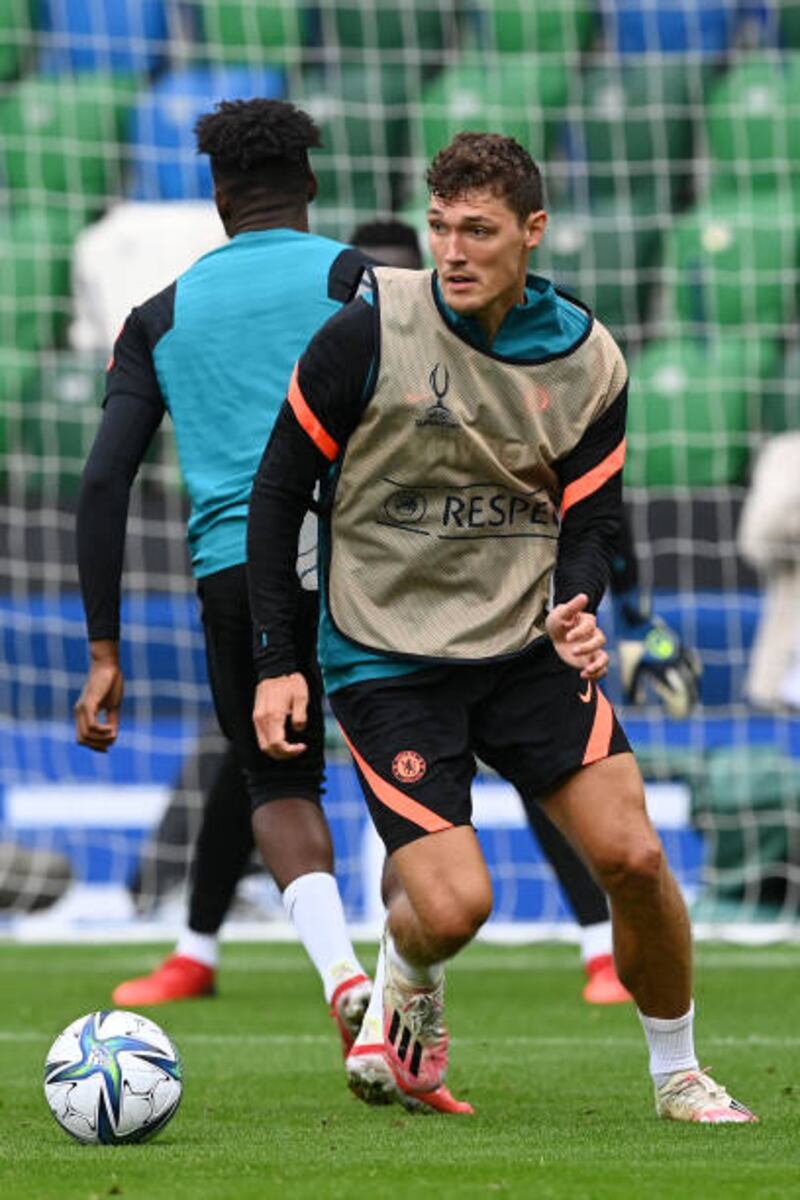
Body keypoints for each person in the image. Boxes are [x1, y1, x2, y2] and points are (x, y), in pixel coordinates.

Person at [246, 131, 757, 1123]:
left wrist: (577, 605)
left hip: (524, 646)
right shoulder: (365, 334)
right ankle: (406, 972)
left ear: (532, 232)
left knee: (634, 858)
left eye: (477, 230)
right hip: (385, 651)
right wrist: (277, 659)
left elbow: (591, 520)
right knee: (453, 907)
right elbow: (277, 494)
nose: (452, 250)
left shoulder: (585, 358)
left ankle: (676, 1074)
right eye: (439, 228)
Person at [73, 97, 374, 1071]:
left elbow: (104, 479)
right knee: (416, 752)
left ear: (216, 196)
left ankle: (342, 974)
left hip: (235, 569)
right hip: (365, 552)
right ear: (310, 186)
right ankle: (410, 976)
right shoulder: (361, 279)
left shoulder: (158, 316)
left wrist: (105, 648)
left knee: (273, 777)